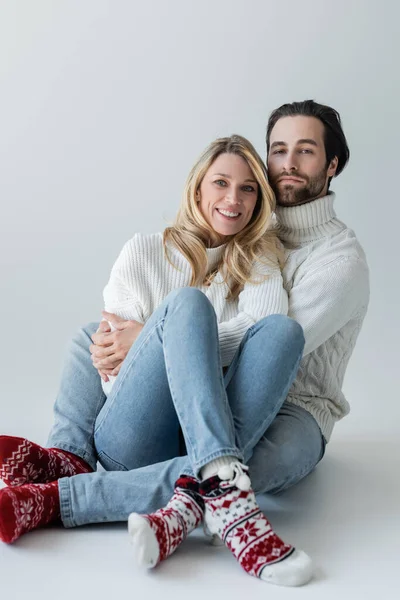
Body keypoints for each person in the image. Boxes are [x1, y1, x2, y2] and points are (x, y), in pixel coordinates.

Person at [0, 98, 369, 583]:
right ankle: (74, 458)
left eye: (305, 151)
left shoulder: (315, 258)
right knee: (94, 334)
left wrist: (156, 340)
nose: (289, 164)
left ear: (332, 164)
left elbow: (268, 344)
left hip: (291, 408)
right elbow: (120, 354)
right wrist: (155, 340)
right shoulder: (179, 245)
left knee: (278, 331)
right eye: (279, 151)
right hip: (173, 414)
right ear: (198, 187)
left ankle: (164, 501)